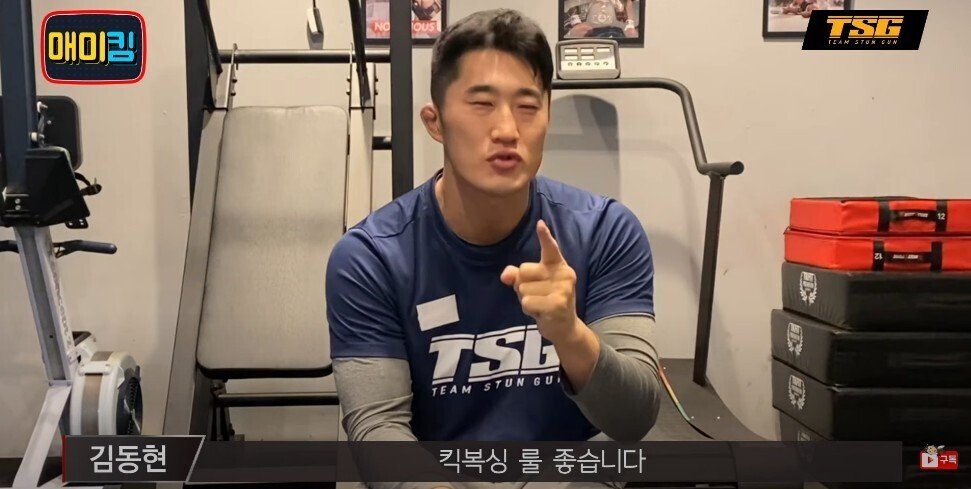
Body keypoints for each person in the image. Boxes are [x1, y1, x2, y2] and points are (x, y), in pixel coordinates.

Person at [326, 8, 661, 486]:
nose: (507, 129)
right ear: (435, 122)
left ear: (547, 117)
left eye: (527, 106)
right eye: (482, 104)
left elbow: (634, 419)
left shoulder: (606, 231)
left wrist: (570, 334)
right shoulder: (370, 258)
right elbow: (378, 430)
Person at [565, 0, 639, 39]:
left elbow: (628, 2)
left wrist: (630, 25)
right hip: (587, 30)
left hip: (616, 29)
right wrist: (573, 30)